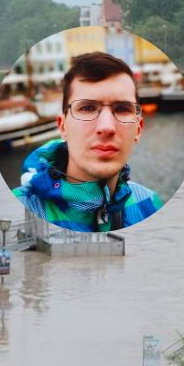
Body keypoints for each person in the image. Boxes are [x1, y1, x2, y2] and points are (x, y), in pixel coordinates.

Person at [13, 52, 162, 232]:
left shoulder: (150, 204)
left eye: (122, 109)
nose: (106, 127)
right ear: (63, 127)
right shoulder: (20, 210)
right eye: (87, 108)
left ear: (138, 129)